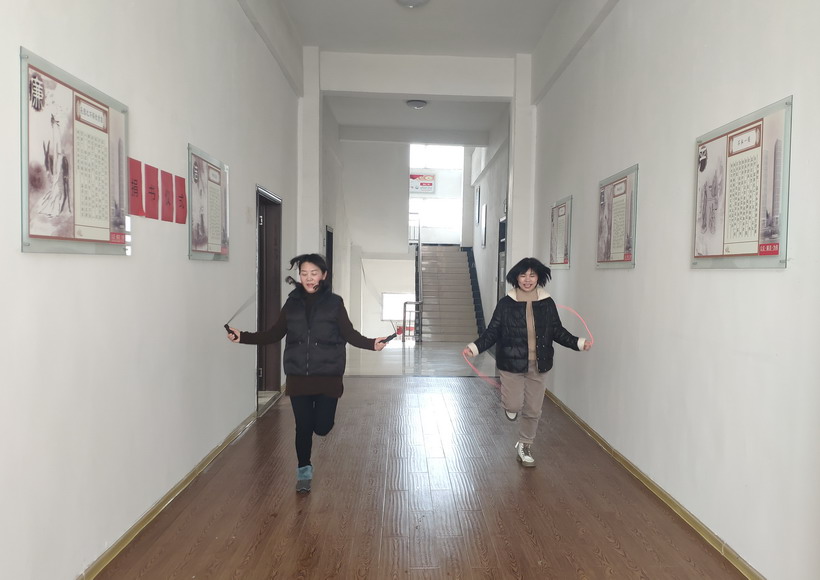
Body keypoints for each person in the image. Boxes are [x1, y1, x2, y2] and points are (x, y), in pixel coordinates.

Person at [227, 253, 389, 492]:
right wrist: (242, 337)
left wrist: (371, 344)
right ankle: (304, 471)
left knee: (322, 427)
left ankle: (316, 426)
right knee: (302, 427)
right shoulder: (291, 304)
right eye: (304, 274)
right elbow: (274, 334)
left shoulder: (334, 303)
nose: (309, 278)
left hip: (328, 375)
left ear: (324, 275)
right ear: (299, 276)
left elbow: (349, 333)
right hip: (298, 376)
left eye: (314, 273)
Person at [463, 257, 592, 468]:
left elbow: (557, 331)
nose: (527, 280)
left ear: (539, 277)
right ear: (516, 278)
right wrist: (475, 347)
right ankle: (510, 407)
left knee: (533, 409)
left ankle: (525, 445)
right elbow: (492, 331)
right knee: (513, 405)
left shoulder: (547, 303)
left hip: (539, 363)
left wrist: (579, 343)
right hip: (511, 363)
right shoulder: (506, 304)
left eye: (532, 275)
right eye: (523, 275)